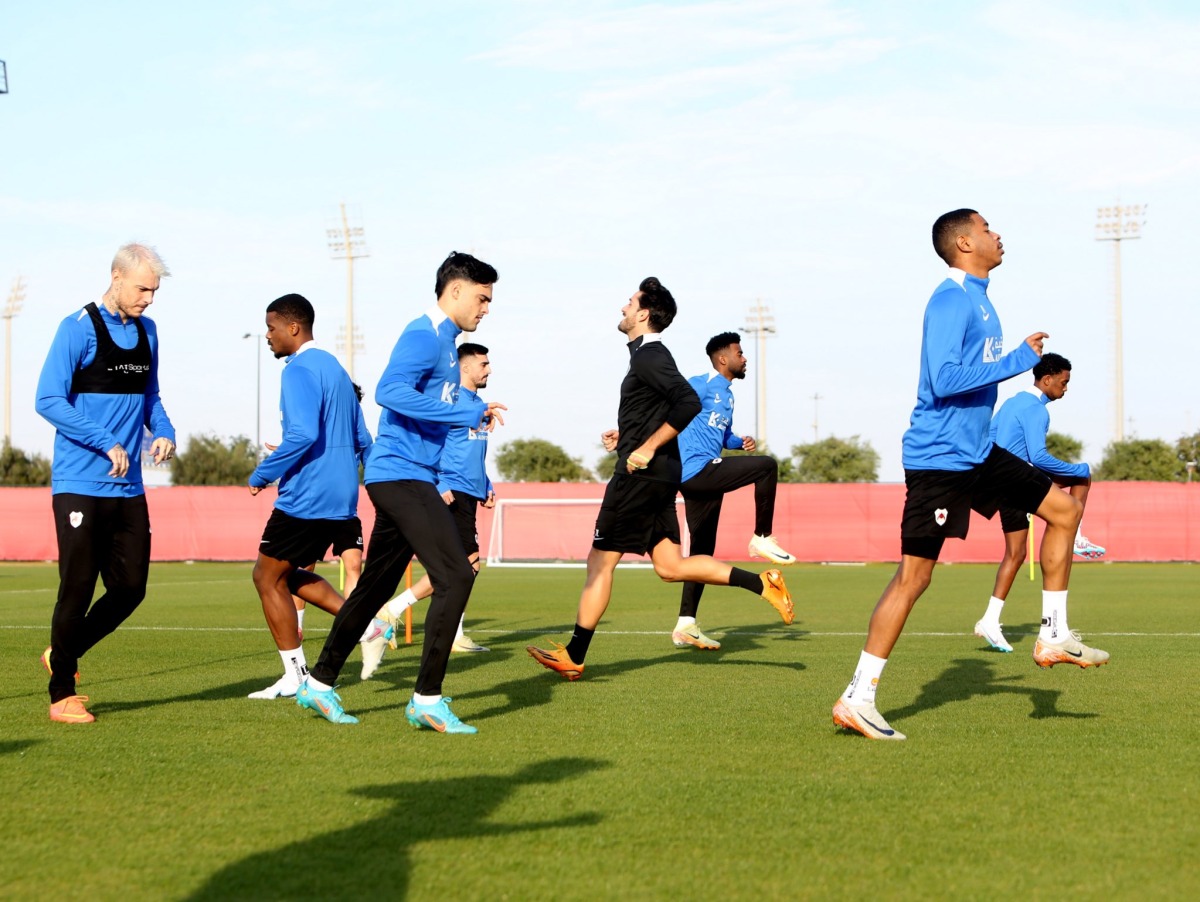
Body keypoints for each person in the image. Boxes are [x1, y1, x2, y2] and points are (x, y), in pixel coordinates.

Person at [832, 209, 1109, 742]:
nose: (997, 234)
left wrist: (1011, 359)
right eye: (987, 228)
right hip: (938, 460)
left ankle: (1053, 634)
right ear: (963, 242)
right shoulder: (950, 299)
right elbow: (944, 379)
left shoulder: (983, 300)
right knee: (914, 578)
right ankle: (857, 697)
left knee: (1065, 509)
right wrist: (1015, 361)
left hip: (978, 453)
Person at [526, 278, 794, 681]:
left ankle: (575, 654)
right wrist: (627, 435)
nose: (623, 308)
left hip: (639, 478)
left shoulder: (651, 356)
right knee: (670, 566)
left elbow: (686, 402)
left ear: (644, 314)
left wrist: (647, 447)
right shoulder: (647, 359)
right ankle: (762, 584)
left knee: (599, 561)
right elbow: (667, 406)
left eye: (629, 303)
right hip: (659, 478)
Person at [296, 251, 506, 733]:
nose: (486, 308)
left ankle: (320, 683)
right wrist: (463, 414)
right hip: (398, 475)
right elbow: (390, 391)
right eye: (482, 298)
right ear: (454, 291)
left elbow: (434, 416)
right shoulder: (423, 335)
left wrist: (468, 420)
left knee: (371, 590)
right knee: (456, 576)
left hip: (413, 477)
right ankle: (426, 700)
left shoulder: (448, 349)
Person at [34, 243, 176, 724]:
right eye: (142, 289)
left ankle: (62, 650)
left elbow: (150, 396)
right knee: (76, 587)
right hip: (79, 482)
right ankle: (61, 696)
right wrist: (106, 441)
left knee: (131, 588)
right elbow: (48, 399)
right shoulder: (76, 329)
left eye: (154, 291)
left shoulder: (149, 332)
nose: (149, 299)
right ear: (116, 276)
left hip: (129, 488)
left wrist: (165, 431)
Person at [245, 294, 373, 700]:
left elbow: (302, 435)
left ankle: (295, 676)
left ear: (293, 328)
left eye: (271, 327)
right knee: (288, 576)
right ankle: (363, 621)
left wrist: (264, 472)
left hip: (307, 496)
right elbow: (362, 440)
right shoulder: (336, 369)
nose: (268, 336)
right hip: (341, 497)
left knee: (266, 577)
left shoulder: (298, 369)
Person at [369, 342, 497, 678]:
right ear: (465, 367)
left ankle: (449, 632)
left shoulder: (478, 405)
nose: (488, 369)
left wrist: (487, 484)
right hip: (450, 491)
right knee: (464, 567)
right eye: (483, 364)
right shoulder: (450, 402)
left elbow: (473, 452)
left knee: (465, 569)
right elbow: (435, 445)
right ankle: (392, 611)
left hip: (469, 493)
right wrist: (438, 485)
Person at [669, 331, 796, 651]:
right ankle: (762, 537)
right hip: (697, 471)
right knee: (766, 466)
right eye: (740, 354)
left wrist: (739, 443)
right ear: (723, 359)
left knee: (701, 555)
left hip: (707, 472)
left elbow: (721, 436)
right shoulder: (698, 383)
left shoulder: (728, 396)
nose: (745, 359)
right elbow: (664, 407)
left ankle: (686, 624)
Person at [974, 353, 1103, 653]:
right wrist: (1079, 469)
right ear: (1047, 380)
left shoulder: (1011, 403)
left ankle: (989, 620)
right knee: (1082, 478)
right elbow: (1038, 456)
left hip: (998, 482)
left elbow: (992, 442)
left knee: (1016, 554)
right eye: (1064, 382)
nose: (1065, 388)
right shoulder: (1036, 410)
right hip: (1016, 483)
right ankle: (1076, 536)